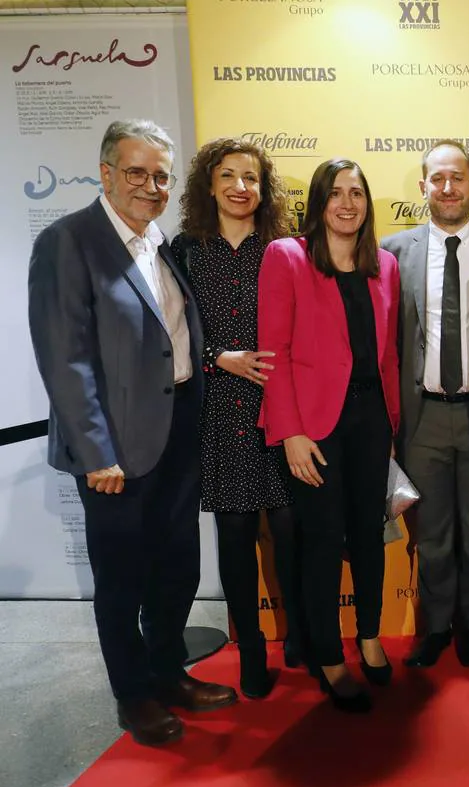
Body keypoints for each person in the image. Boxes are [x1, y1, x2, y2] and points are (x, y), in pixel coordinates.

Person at [28, 119, 237, 746]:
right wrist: (96, 453)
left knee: (177, 569)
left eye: (162, 176)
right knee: (122, 581)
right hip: (114, 452)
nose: (152, 186)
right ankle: (133, 695)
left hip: (177, 436)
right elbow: (64, 360)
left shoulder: (159, 242)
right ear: (107, 173)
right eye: (138, 172)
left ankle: (169, 672)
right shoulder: (70, 242)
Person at [258, 158, 401, 713]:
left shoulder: (383, 264)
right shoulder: (287, 257)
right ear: (318, 203)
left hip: (370, 420)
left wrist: (390, 428)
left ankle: (369, 637)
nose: (347, 203)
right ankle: (328, 655)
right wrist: (290, 432)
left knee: (369, 534)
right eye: (336, 193)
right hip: (314, 426)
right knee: (320, 543)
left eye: (357, 193)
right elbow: (276, 352)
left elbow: (386, 354)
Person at [171, 137, 301, 699]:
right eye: (228, 176)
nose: (240, 187)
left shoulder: (286, 246)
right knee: (236, 537)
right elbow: (167, 332)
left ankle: (301, 638)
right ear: (210, 184)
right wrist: (215, 357)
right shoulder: (186, 249)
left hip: (282, 407)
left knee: (294, 534)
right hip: (220, 412)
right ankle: (249, 649)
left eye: (250, 177)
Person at [382, 141, 469, 669]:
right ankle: (435, 627)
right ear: (423, 188)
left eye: (458, 178)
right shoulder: (391, 252)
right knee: (430, 533)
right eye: (438, 179)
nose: (449, 188)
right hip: (422, 414)